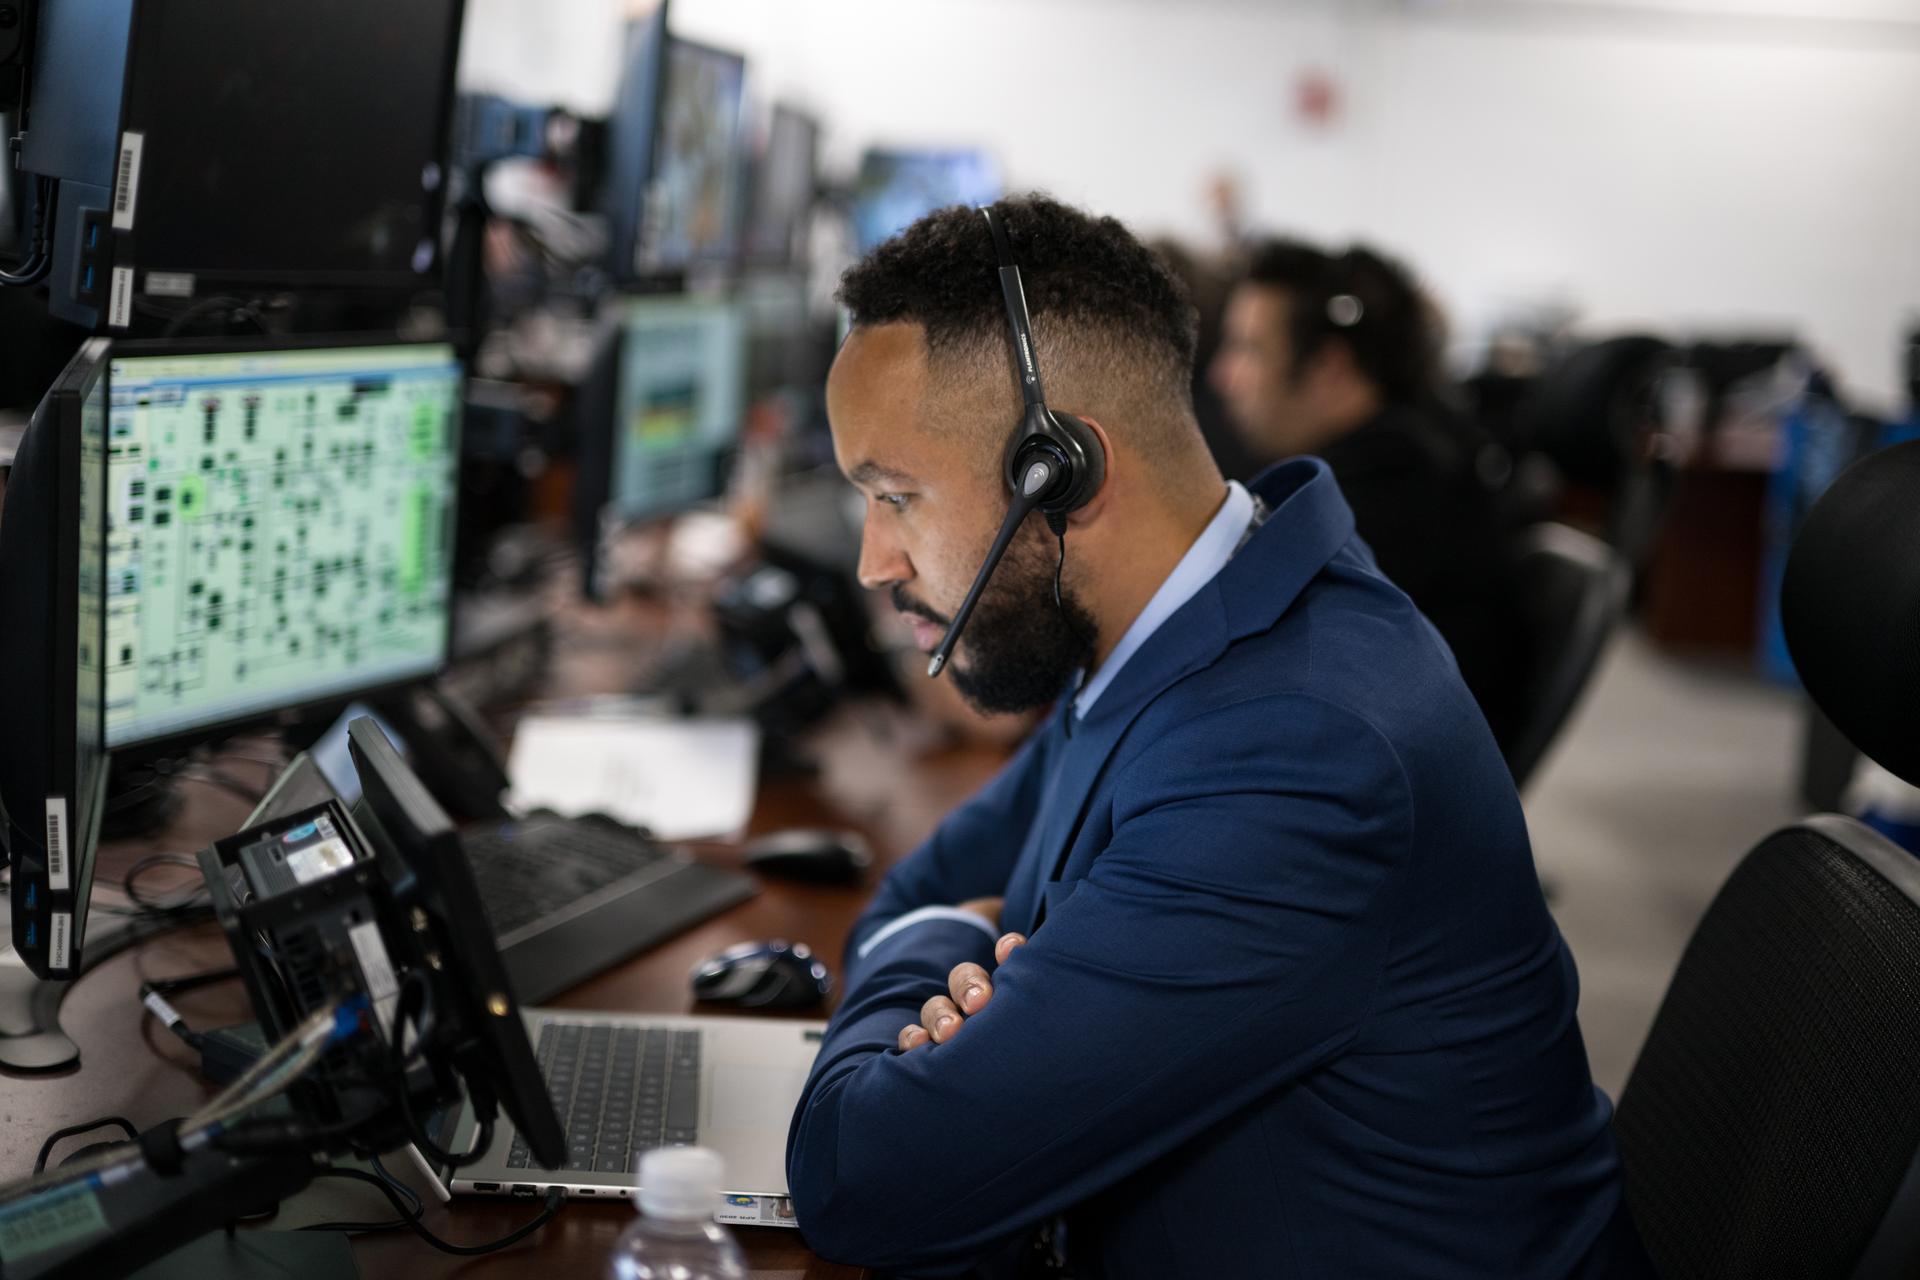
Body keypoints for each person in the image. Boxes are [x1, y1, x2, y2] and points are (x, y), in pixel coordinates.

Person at [786, 195, 1647, 1278]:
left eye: (897, 495)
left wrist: (942, 947)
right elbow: (923, 893)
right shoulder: (1168, 621)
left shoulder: (1297, 751)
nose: (874, 559)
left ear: (1061, 472)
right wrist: (962, 938)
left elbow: (864, 1178)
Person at [1211, 238, 1526, 743]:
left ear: (1330, 367)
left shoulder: (1391, 484)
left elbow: (1229, 633)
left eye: (1249, 349)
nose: (1223, 375)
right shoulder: (1406, 449)